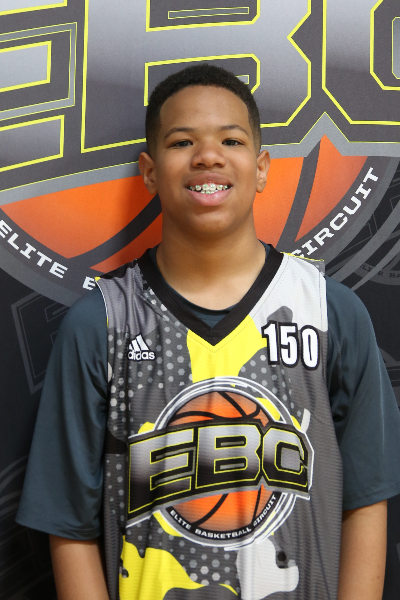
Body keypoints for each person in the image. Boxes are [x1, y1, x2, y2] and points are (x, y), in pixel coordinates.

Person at [16, 65, 400, 600]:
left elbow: (366, 501)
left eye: (231, 140)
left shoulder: (329, 312)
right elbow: (69, 527)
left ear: (261, 167)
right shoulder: (100, 323)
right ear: (150, 172)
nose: (208, 156)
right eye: (182, 142)